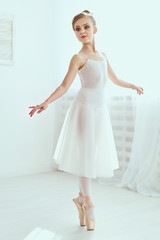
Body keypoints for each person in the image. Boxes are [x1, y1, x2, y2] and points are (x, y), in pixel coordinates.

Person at [28, 10, 144, 231]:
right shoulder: (78, 58)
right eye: (77, 29)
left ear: (95, 29)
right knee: (86, 156)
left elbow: (115, 78)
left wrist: (133, 85)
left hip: (99, 111)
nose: (82, 31)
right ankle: (88, 202)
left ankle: (81, 198)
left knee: (93, 154)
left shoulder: (103, 56)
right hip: (83, 109)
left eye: (86, 27)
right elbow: (64, 86)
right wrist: (46, 102)